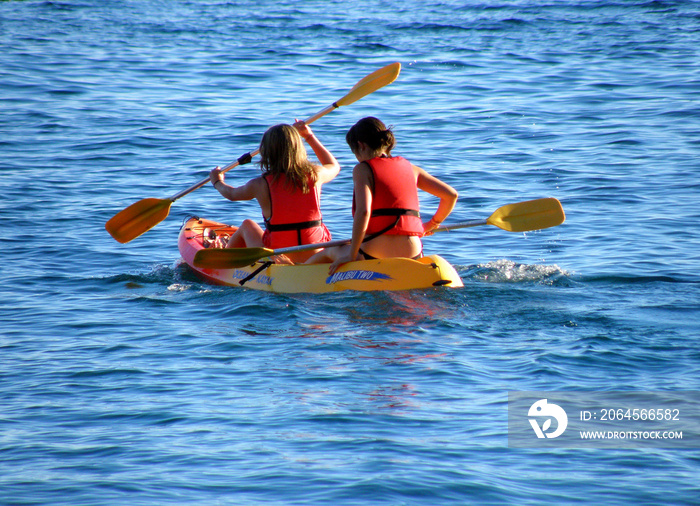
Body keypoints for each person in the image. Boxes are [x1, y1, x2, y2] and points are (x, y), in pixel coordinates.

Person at [306, 116, 458, 274]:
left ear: (361, 146)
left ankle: (297, 272)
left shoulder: (362, 169)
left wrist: (351, 255)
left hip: (374, 254)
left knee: (331, 250)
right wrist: (432, 224)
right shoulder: (411, 168)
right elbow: (451, 195)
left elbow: (364, 212)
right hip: (413, 253)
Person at [209, 120, 340, 264]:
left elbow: (231, 194)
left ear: (266, 153)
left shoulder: (260, 184)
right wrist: (309, 136)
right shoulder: (315, 175)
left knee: (247, 225)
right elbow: (333, 165)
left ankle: (224, 262)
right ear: (299, 148)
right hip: (316, 256)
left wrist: (217, 182)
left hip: (278, 258)